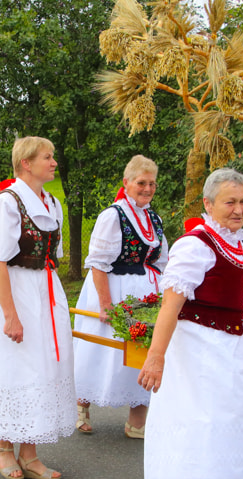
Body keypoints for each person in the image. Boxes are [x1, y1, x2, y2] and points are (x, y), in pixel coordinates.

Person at [138, 168, 243, 479]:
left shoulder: (236, 242)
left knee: (222, 423)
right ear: (209, 204)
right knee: (200, 422)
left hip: (230, 348)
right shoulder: (196, 245)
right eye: (230, 202)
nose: (239, 209)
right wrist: (156, 356)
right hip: (199, 349)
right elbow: (170, 306)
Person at [0, 136, 75, 479]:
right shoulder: (7, 203)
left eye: (53, 157)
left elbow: (51, 256)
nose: (53, 163)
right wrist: (10, 314)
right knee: (13, 365)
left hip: (44, 291)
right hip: (14, 290)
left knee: (41, 366)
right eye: (47, 157)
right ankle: (2, 446)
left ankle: (30, 452)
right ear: (26, 163)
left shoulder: (52, 202)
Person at [73, 155, 168, 437]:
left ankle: (136, 421)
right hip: (113, 289)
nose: (148, 188)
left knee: (141, 352)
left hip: (145, 294)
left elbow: (161, 261)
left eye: (152, 183)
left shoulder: (154, 217)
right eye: (141, 182)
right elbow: (98, 263)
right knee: (100, 350)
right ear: (127, 183)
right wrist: (105, 305)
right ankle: (81, 406)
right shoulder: (112, 216)